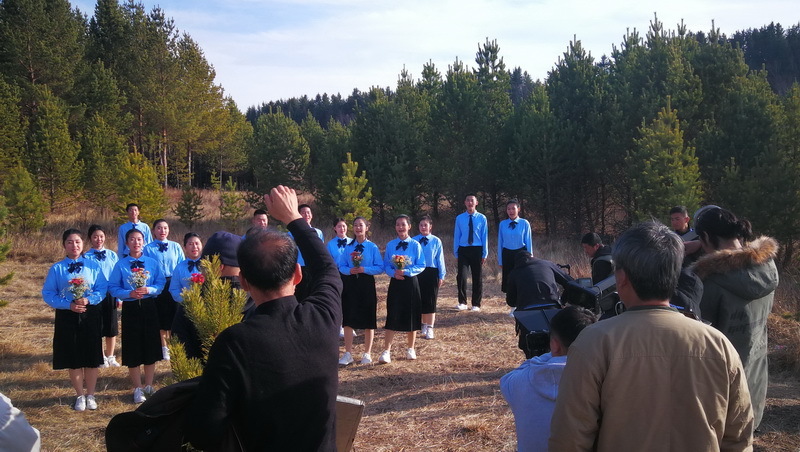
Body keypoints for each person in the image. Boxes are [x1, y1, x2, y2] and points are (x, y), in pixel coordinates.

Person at [549, 222, 754, 451]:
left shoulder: (594, 342)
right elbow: (739, 438)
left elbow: (570, 439)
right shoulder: (719, 345)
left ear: (622, 277)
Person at [183, 185, 343, 451]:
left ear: (244, 281)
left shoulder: (235, 342)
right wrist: (293, 217)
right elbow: (327, 269)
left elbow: (203, 433)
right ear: (298, 274)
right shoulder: (323, 317)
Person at [693, 206, 778, 430]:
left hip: (722, 392)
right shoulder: (767, 268)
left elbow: (696, 340)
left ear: (706, 237)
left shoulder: (710, 283)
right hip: (754, 383)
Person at [500, 306, 597, 452]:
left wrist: (550, 354)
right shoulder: (603, 382)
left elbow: (508, 379)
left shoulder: (519, 381)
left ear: (555, 344)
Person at [42, 229, 107, 411]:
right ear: (64, 245)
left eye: (77, 242)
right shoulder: (57, 268)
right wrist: (68, 305)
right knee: (73, 356)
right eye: (70, 242)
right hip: (67, 315)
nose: (74, 245)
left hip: (90, 313)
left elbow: (102, 288)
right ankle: (79, 395)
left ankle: (91, 395)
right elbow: (48, 293)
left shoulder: (93, 266)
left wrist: (88, 299)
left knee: (91, 356)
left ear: (83, 244)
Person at [108, 228, 166, 404]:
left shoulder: (152, 263)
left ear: (144, 242)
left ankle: (149, 385)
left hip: (149, 307)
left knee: (150, 345)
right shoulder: (121, 264)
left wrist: (149, 289)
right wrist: (128, 293)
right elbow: (113, 287)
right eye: (132, 239)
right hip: (131, 308)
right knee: (133, 346)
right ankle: (137, 388)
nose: (136, 242)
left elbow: (161, 283)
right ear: (127, 243)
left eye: (139, 239)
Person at [506, 252, 573, 358]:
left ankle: (533, 362)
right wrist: (562, 301)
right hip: (552, 307)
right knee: (558, 340)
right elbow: (571, 283)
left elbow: (510, 301)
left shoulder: (514, 273)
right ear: (532, 256)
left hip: (527, 313)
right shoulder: (547, 264)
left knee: (528, 345)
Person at [378, 215, 425, 364]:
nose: (400, 227)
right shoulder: (391, 245)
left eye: (403, 224)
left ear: (409, 226)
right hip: (396, 282)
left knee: (412, 313)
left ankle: (411, 348)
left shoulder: (416, 245)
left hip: (411, 282)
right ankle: (386, 351)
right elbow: (386, 265)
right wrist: (394, 273)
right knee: (393, 313)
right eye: (398, 224)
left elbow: (421, 264)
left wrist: (407, 271)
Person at [338, 216, 384, 365]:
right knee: (349, 317)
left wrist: (365, 269)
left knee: (368, 317)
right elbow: (341, 266)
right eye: (356, 225)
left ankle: (367, 353)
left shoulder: (372, 247)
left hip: (366, 283)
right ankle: (348, 353)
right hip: (351, 284)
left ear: (367, 228)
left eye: (361, 225)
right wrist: (349, 270)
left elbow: (380, 267)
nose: (358, 228)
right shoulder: (348, 247)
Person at [143, 219, 185, 361]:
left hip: (174, 282)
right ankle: (163, 347)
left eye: (165, 228)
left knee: (174, 315)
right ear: (154, 231)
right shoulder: (148, 248)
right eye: (159, 228)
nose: (162, 231)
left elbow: (181, 265)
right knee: (161, 316)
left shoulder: (175, 246)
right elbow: (146, 268)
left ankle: (174, 346)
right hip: (158, 283)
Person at [84, 224, 121, 368]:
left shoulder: (112, 255)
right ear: (90, 238)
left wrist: (119, 297)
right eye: (95, 237)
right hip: (94, 295)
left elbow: (118, 276)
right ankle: (101, 357)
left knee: (111, 326)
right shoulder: (85, 256)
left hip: (111, 293)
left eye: (101, 236)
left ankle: (110, 356)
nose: (98, 239)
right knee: (97, 326)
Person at [169, 233, 206, 359]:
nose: (194, 247)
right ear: (185, 247)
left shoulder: (208, 265)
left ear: (202, 245)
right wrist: (187, 299)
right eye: (190, 244)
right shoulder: (180, 267)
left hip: (205, 309)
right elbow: (174, 289)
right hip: (185, 310)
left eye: (197, 243)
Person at [413, 215, 446, 340]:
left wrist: (441, 275)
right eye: (421, 225)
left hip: (431, 272)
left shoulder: (436, 241)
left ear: (430, 227)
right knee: (419, 299)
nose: (423, 227)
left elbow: (440, 259)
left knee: (430, 300)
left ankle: (430, 327)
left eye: (425, 225)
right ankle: (423, 324)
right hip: (417, 272)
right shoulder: (413, 240)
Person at [453, 194, 488, 311]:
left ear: (476, 202)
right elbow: (457, 235)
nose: (470, 203)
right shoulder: (459, 218)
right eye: (468, 200)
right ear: (465, 202)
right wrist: (456, 251)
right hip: (463, 249)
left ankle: (476, 304)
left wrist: (484, 253)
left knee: (477, 277)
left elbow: (484, 236)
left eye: (472, 200)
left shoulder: (482, 218)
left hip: (477, 249)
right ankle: (462, 302)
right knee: (461, 276)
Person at [289, 203, 324, 301]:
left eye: (308, 212)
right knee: (298, 295)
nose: (306, 215)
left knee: (313, 293)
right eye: (303, 213)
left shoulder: (318, 232)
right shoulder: (291, 233)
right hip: (298, 267)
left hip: (313, 266)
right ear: (299, 215)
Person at [498, 199, 533, 293]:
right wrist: (500, 260)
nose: (511, 211)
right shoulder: (502, 224)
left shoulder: (524, 223)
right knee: (509, 280)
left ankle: (521, 300)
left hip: (521, 254)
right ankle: (511, 300)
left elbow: (528, 241)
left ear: (518, 209)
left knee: (521, 279)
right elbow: (500, 243)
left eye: (513, 208)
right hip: (507, 254)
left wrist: (530, 258)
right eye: (508, 209)